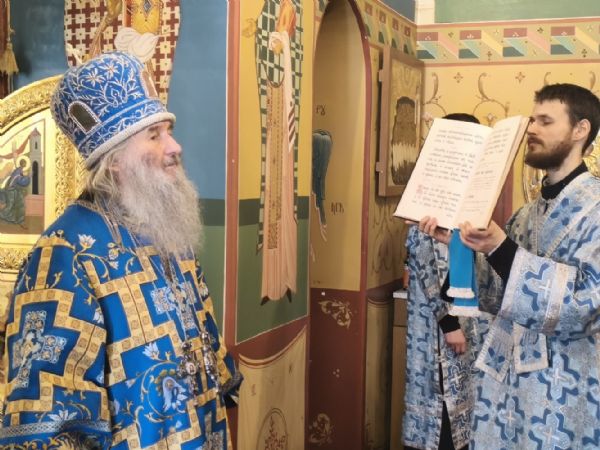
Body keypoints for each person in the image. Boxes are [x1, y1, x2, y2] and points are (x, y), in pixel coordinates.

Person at [0, 51, 242, 449]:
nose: (175, 146)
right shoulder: (65, 255)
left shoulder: (168, 231)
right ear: (114, 160)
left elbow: (210, 351)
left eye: (168, 130)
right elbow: (49, 421)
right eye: (155, 135)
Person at [419, 83, 600, 448]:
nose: (531, 128)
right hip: (509, 386)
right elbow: (494, 295)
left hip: (567, 387)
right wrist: (458, 244)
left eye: (545, 121)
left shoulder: (595, 208)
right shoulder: (525, 215)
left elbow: (586, 302)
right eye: (532, 120)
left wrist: (501, 248)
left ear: (580, 129)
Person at [402, 113, 489, 450]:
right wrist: (449, 324)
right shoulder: (430, 194)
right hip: (438, 325)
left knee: (463, 407)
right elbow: (423, 260)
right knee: (440, 406)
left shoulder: (469, 195)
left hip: (467, 318)